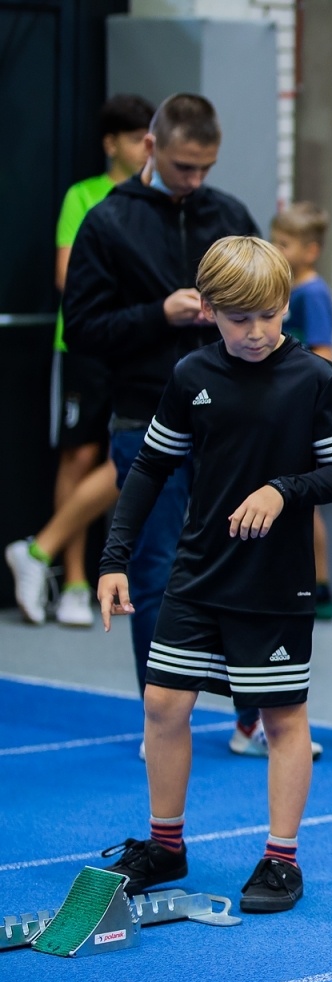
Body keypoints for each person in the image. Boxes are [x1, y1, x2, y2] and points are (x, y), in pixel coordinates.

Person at [94, 236, 332, 913]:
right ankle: (165, 845)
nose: (257, 332)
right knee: (163, 704)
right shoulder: (191, 376)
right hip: (198, 571)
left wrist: (284, 489)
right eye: (240, 318)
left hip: (275, 583)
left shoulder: (314, 379)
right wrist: (114, 559)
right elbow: (150, 468)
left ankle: (280, 859)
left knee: (282, 718)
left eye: (270, 315)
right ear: (209, 310)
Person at [57, 93, 289, 761]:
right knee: (155, 570)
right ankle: (164, 721)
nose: (195, 179)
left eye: (206, 167)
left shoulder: (230, 215)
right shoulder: (107, 222)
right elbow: (84, 332)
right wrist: (157, 313)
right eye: (184, 165)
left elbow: (270, 309)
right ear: (151, 148)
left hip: (236, 423)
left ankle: (257, 719)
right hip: (146, 415)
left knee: (248, 563)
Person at [8, 94, 154, 627]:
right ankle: (71, 583)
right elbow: (69, 277)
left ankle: (40, 552)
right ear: (110, 142)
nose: (145, 147)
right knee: (80, 458)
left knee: (131, 455)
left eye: (149, 136)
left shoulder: (157, 199)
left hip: (137, 353)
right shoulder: (84, 196)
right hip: (84, 348)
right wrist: (142, 297)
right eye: (136, 136)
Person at [271, 201, 332, 622]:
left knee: (302, 504)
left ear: (310, 251)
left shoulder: (313, 294)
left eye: (285, 243)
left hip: (301, 413)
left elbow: (325, 355)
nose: (277, 249)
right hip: (278, 410)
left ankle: (323, 585)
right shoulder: (283, 290)